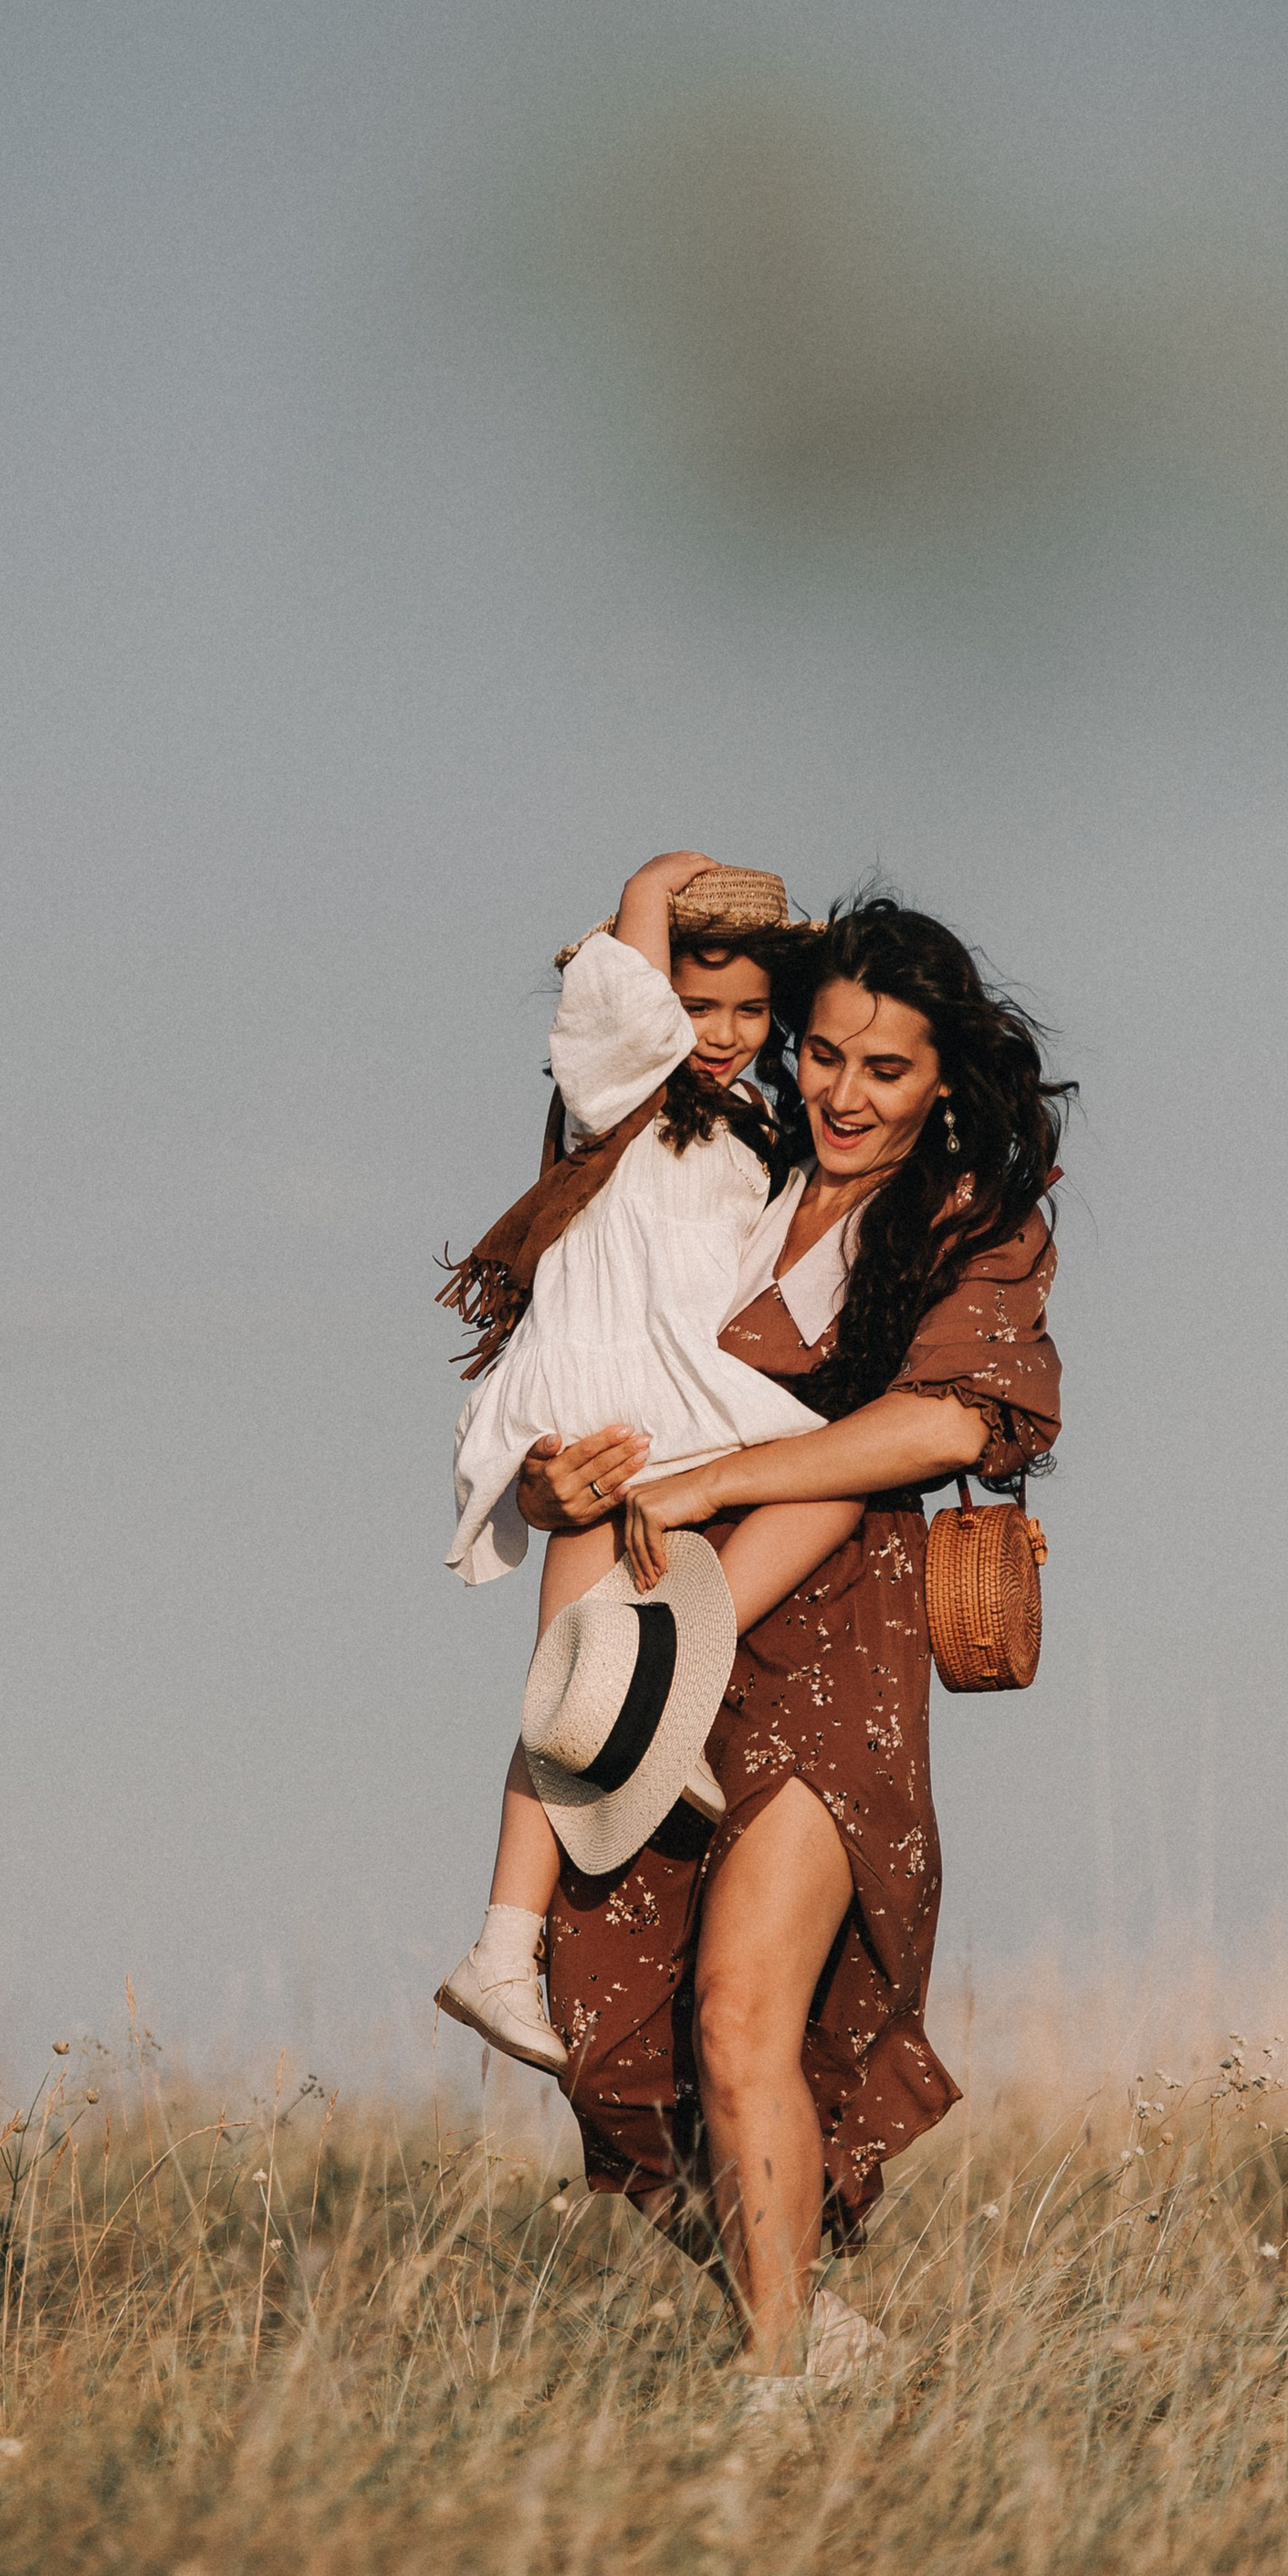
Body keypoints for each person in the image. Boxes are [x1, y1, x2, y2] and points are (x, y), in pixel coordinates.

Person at [515, 895, 1068, 2391]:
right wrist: (567, 1476)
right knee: (620, 2022)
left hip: (839, 1654)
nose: (841, 1092)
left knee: (743, 2005)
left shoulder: (965, 1215)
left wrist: (722, 1477)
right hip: (673, 1636)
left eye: (884, 1069)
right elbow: (596, 1341)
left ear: (943, 1076)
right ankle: (811, 2328)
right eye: (822, 1055)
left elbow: (957, 1414)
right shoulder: (735, 1174)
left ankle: (773, 2389)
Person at [435, 853, 862, 2072]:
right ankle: (653, 1726)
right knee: (824, 1478)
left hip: (669, 1399)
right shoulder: (619, 1087)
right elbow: (625, 990)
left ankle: (503, 1944)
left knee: (570, 1684)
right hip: (627, 1394)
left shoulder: (757, 1126)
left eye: (747, 1009)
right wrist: (661, 879)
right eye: (696, 1001)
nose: (720, 1034)